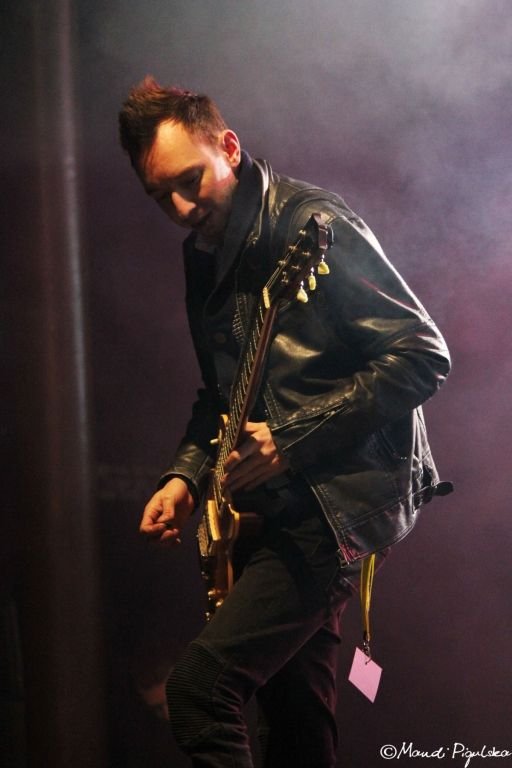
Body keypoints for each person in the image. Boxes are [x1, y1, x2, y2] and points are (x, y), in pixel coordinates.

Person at [118, 76, 452, 768]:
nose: (181, 208)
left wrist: (290, 440)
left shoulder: (312, 226)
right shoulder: (203, 253)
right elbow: (220, 395)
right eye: (161, 196)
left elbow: (423, 356)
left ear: (228, 148)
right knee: (296, 732)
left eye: (189, 181)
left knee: (198, 690)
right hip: (265, 512)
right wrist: (185, 477)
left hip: (332, 508)